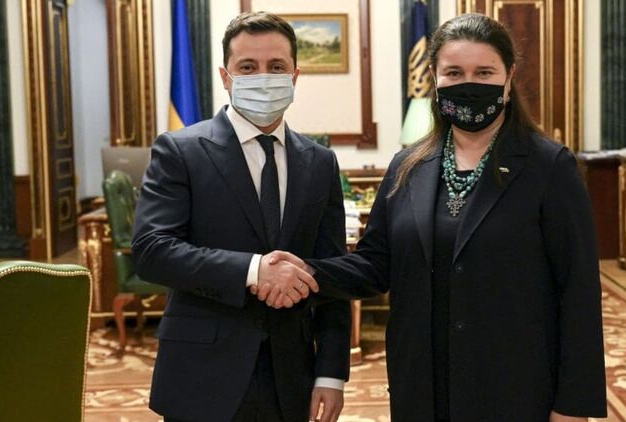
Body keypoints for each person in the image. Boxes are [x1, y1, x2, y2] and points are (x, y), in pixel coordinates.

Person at [260, 13, 607, 422]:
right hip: (422, 384)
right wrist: (306, 273)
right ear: (435, 79)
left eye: (484, 72)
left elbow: (578, 292)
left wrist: (573, 406)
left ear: (509, 78)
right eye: (454, 73)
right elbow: (375, 265)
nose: (468, 84)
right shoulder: (408, 166)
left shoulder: (549, 167)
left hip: (513, 385)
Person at [132, 12, 350, 422]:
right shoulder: (180, 151)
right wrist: (253, 271)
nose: (263, 77)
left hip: (292, 376)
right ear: (226, 76)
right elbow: (151, 251)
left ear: (295, 76)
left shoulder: (319, 162)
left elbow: (332, 271)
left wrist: (331, 373)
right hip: (203, 373)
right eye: (248, 67)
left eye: (276, 67)